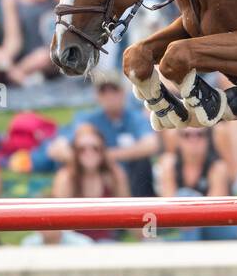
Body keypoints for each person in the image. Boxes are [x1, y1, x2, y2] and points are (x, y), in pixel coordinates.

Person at [43, 70, 160, 198]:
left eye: (114, 90)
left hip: (128, 179)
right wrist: (87, 158)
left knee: (139, 164)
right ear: (97, 96)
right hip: (95, 177)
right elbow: (56, 148)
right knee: (67, 173)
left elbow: (151, 144)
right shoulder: (87, 120)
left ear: (123, 93)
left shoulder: (135, 118)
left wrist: (105, 156)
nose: (109, 96)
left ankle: (139, 209)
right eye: (103, 91)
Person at [41, 123, 131, 245]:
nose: (89, 153)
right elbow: (59, 223)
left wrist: (148, 239)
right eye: (82, 149)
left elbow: (129, 214)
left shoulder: (114, 175)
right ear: (75, 152)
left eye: (95, 148)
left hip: (106, 244)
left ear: (102, 150)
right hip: (73, 246)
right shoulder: (66, 177)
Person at [157, 126, 237, 240]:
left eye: (200, 135)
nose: (193, 140)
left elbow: (215, 210)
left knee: (186, 198)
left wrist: (189, 210)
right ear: (178, 139)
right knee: (185, 199)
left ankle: (190, 251)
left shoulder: (217, 167)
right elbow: (167, 206)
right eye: (186, 135)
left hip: (219, 228)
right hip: (186, 227)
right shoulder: (169, 164)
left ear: (208, 138)